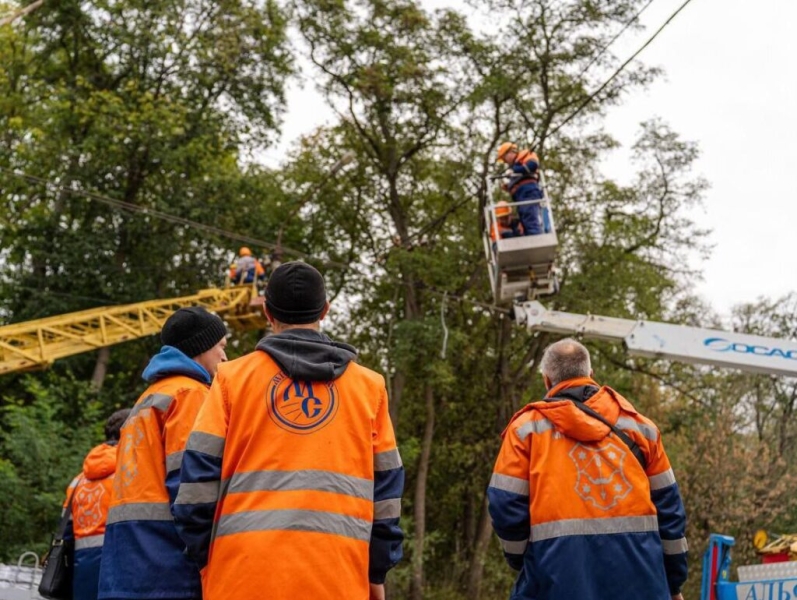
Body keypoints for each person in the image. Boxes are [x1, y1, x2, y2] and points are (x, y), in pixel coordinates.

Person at [173, 261, 405, 600]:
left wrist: (206, 560)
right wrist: (376, 571)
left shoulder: (230, 381)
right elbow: (386, 497)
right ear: (325, 310)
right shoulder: (370, 388)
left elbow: (195, 489)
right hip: (339, 577)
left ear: (267, 312)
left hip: (239, 577)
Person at [487, 338, 687, 600]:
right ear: (591, 375)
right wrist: (673, 583)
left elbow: (505, 506)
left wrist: (523, 559)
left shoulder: (525, 430)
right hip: (642, 584)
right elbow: (671, 513)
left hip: (554, 582)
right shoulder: (642, 429)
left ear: (547, 381)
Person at [98, 307, 228, 600]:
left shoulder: (147, 399)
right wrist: (208, 559)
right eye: (220, 347)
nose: (224, 357)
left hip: (126, 561)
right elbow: (191, 489)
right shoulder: (191, 395)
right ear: (200, 348)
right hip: (167, 565)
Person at [63, 408, 131, 600]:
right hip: (119, 568)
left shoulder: (78, 481)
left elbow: (66, 532)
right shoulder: (130, 474)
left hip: (81, 571)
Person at [496, 142, 544, 236]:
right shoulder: (515, 166)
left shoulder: (525, 155)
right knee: (524, 220)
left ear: (510, 153)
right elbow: (519, 181)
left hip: (528, 192)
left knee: (529, 217)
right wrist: (508, 186)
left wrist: (514, 170)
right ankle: (530, 237)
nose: (505, 161)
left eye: (504, 158)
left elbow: (533, 165)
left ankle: (535, 237)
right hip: (521, 196)